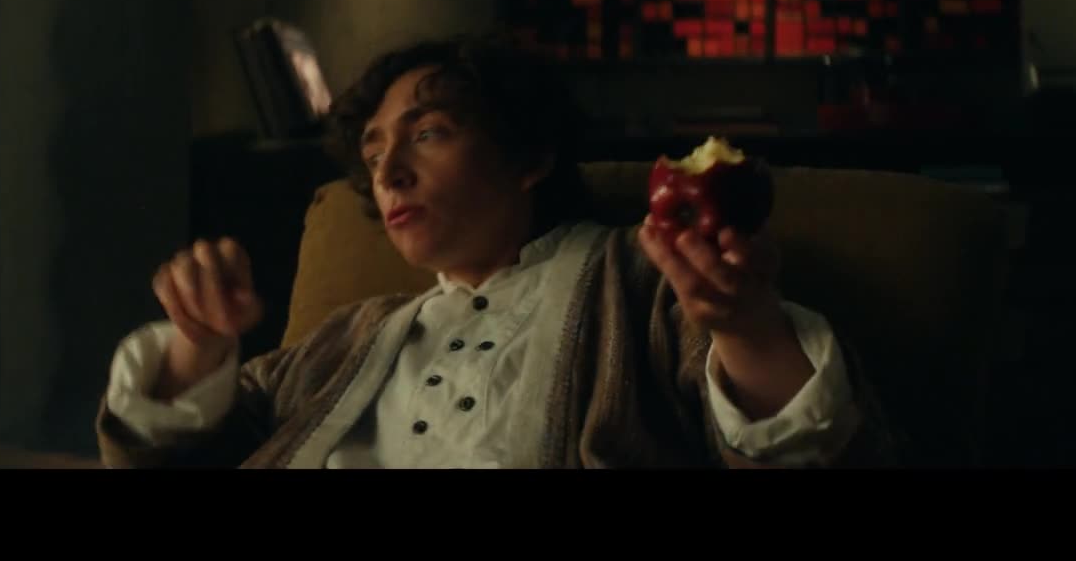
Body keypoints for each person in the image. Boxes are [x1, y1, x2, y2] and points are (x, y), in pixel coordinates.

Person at [95, 35, 899, 468]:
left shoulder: (641, 280)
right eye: (373, 153)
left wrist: (748, 329)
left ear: (528, 156)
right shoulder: (352, 335)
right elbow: (174, 456)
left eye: (428, 133)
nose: (389, 172)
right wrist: (197, 344)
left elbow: (815, 452)